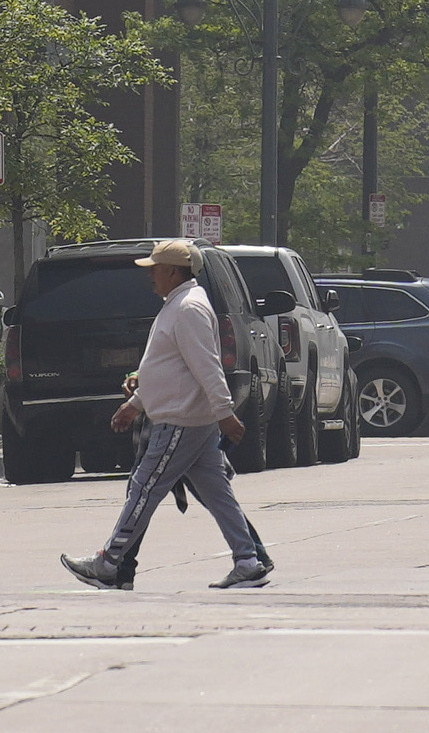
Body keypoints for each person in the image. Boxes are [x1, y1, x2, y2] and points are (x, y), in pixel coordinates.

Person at [64, 240, 271, 594]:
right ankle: (248, 561)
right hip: (190, 418)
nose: (150, 276)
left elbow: (206, 366)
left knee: (143, 489)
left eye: (155, 268)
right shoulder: (179, 305)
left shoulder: (187, 308)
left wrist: (225, 413)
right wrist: (138, 403)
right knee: (217, 492)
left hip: (181, 420)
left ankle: (109, 563)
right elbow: (173, 369)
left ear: (173, 271)